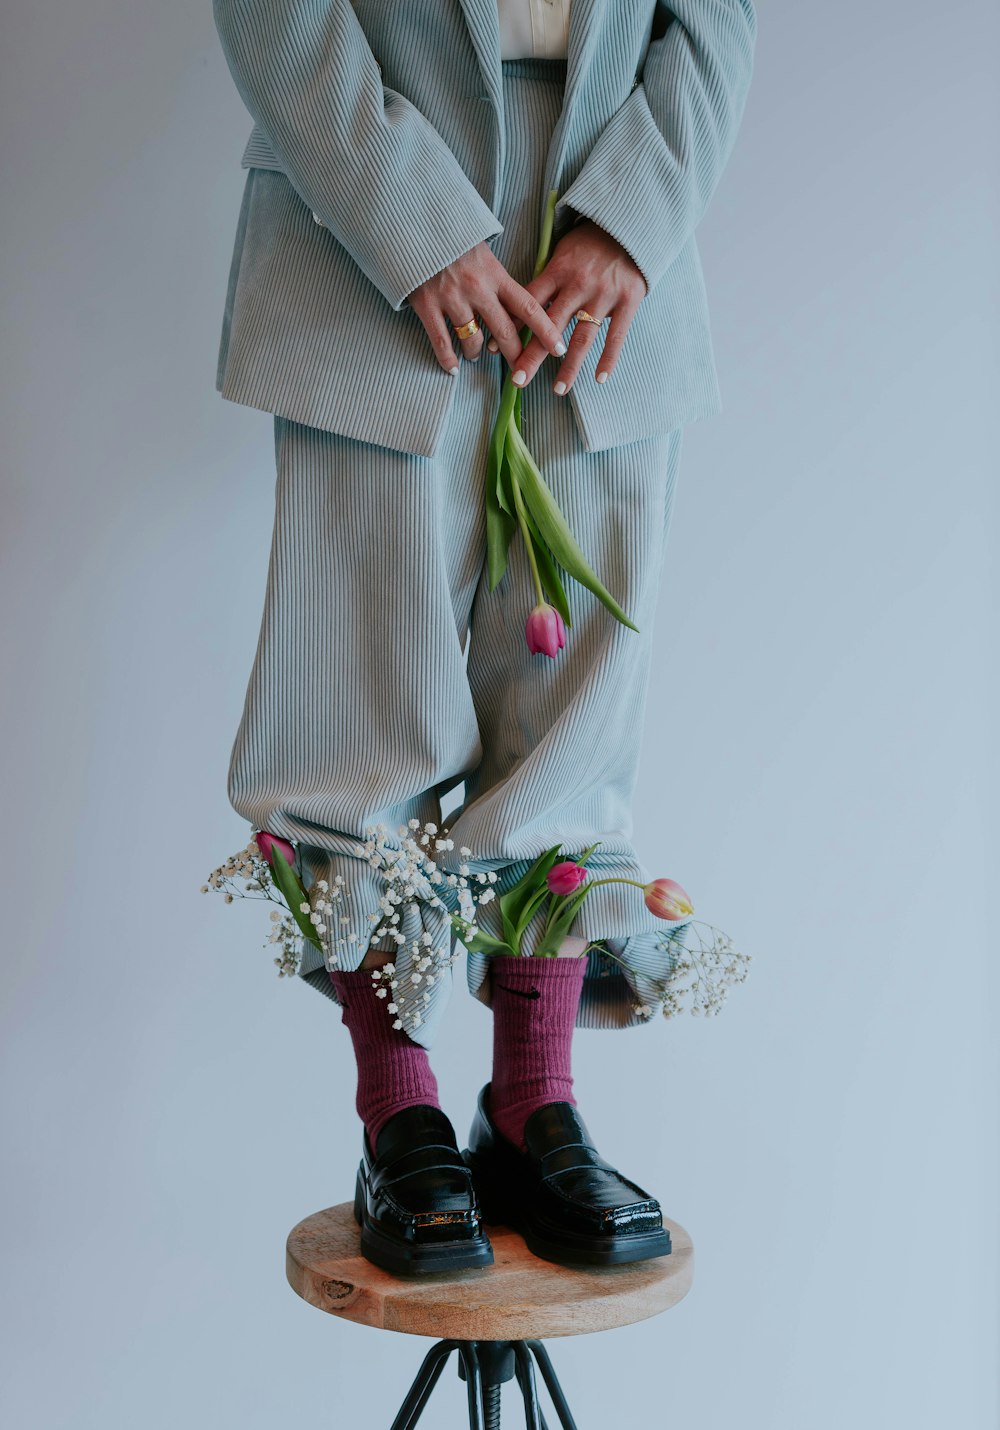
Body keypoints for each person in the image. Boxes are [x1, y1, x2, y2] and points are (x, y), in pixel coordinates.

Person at [211, 0, 757, 1276]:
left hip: (611, 233)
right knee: (361, 684)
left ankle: (531, 1098)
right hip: (368, 210)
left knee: (575, 697)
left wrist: (636, 214)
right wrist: (407, 219)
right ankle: (396, 1101)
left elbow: (717, 16)